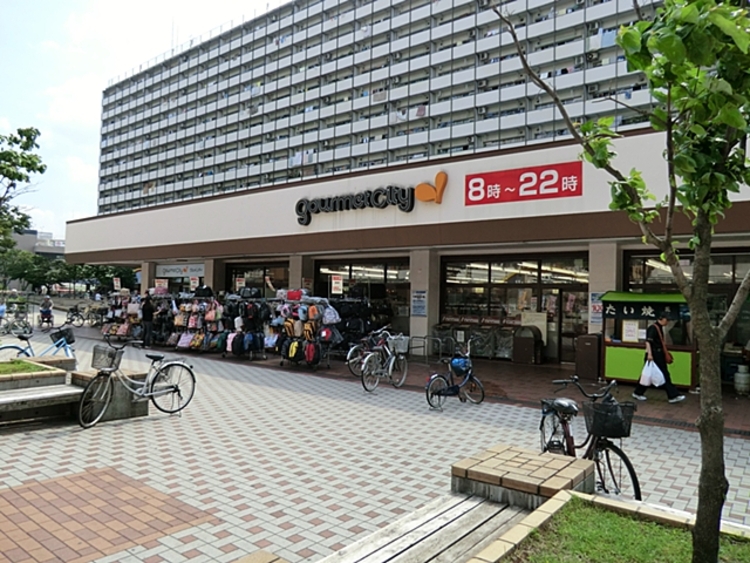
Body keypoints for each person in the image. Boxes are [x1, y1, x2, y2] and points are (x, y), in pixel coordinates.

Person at [632, 312, 685, 403]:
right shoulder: (653, 328)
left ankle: (638, 392)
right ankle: (673, 395)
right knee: (662, 374)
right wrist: (650, 354)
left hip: (658, 354)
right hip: (654, 354)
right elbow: (648, 342)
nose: (668, 322)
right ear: (661, 318)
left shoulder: (659, 328)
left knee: (648, 374)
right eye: (667, 319)